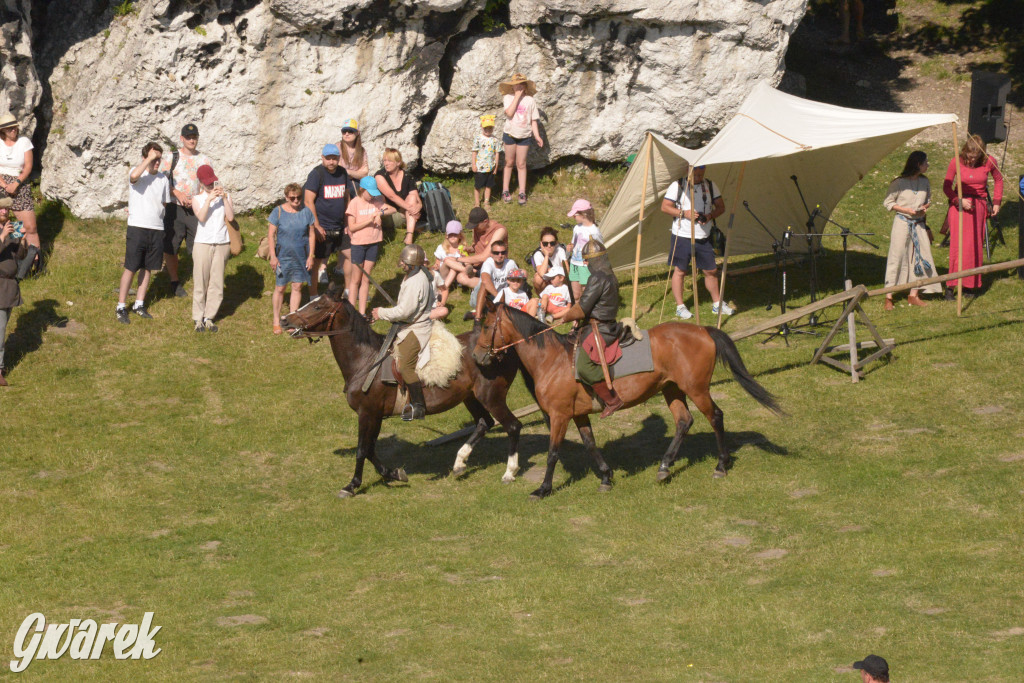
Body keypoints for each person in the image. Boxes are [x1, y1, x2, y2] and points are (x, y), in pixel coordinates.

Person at [555, 239, 623, 417]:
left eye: (587, 261)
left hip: (600, 329)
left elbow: (582, 308)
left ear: (591, 261)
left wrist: (566, 317)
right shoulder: (609, 275)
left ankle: (612, 399)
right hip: (601, 325)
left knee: (584, 367)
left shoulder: (598, 278)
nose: (585, 264)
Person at [372, 244, 434, 421]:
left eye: (405, 262)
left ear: (413, 263)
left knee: (405, 365)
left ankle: (419, 406)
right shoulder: (416, 274)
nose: (401, 264)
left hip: (415, 328)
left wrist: (381, 313)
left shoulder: (416, 280)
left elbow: (405, 312)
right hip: (408, 324)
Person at [659, 165, 731, 319]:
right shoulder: (678, 185)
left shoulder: (710, 185)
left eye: (700, 174)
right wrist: (683, 213)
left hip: (704, 236)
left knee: (711, 270)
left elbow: (721, 207)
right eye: (696, 175)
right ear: (688, 171)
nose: (698, 178)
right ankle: (680, 306)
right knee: (680, 270)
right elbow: (665, 207)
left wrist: (710, 216)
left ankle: (717, 303)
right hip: (682, 235)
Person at [942, 134, 1002, 299]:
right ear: (965, 152)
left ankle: (969, 285)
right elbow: (947, 186)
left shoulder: (989, 161)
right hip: (959, 207)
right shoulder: (956, 161)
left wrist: (996, 201)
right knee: (957, 246)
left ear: (981, 155)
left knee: (974, 246)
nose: (972, 160)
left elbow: (998, 179)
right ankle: (950, 286)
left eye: (975, 157)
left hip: (979, 207)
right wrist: (958, 200)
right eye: (969, 156)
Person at [117, 142, 171, 325]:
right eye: (154, 158)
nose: (157, 162)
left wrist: (157, 218)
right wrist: (149, 158)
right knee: (131, 267)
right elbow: (133, 177)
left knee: (148, 267)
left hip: (156, 228)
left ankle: (139, 304)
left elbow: (164, 203)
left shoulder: (163, 179)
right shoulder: (138, 172)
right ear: (145, 158)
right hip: (137, 227)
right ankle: (121, 306)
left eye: (159, 158)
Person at [882, 151, 941, 310]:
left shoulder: (924, 181)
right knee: (897, 256)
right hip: (902, 223)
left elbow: (928, 200)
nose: (928, 165)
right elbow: (888, 203)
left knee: (921, 257)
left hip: (918, 224)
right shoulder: (899, 183)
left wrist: (924, 207)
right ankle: (889, 296)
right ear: (917, 164)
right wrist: (906, 210)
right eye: (925, 162)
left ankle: (913, 294)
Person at [160, 123, 212, 298]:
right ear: (181, 138)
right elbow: (161, 181)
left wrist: (199, 199)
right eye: (188, 137)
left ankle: (201, 281)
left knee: (198, 246)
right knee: (172, 246)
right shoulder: (171, 157)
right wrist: (177, 193)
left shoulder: (204, 159)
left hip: (195, 208)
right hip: (174, 208)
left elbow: (208, 183)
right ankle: (174, 281)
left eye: (194, 137)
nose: (191, 140)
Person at [190, 164, 234, 332]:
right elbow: (201, 217)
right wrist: (208, 199)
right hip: (203, 243)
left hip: (222, 243)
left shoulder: (226, 196)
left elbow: (230, 217)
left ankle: (209, 317)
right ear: (201, 183)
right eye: (207, 183)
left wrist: (223, 198)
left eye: (212, 182)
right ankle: (197, 318)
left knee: (216, 282)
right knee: (200, 280)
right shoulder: (197, 199)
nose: (210, 186)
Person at [304, 143, 351, 298]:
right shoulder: (317, 174)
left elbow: (346, 197)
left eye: (334, 158)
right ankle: (313, 295)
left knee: (350, 257)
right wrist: (316, 225)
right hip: (322, 226)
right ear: (322, 158)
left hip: (340, 225)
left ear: (339, 158)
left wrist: (348, 222)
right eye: (328, 158)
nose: (331, 162)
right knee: (316, 261)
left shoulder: (343, 173)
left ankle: (349, 291)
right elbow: (308, 200)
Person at [268, 183, 315, 334]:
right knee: (280, 287)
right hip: (283, 256)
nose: (296, 201)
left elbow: (311, 234)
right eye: (292, 198)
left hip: (301, 255)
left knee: (297, 286)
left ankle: (292, 321)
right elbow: (271, 235)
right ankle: (276, 320)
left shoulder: (306, 212)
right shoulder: (278, 212)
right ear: (286, 197)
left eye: (299, 198)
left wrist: (311, 256)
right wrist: (273, 256)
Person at [346, 176, 393, 315]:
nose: (372, 196)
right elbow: (352, 227)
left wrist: (380, 213)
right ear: (362, 190)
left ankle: (361, 313)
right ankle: (351, 311)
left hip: (373, 243)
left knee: (366, 278)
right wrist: (369, 221)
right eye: (370, 193)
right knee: (356, 279)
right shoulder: (354, 203)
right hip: (358, 244)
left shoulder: (376, 202)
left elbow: (393, 209)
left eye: (374, 193)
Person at [455, 207, 508, 320]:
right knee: (460, 277)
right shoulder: (478, 229)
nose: (474, 229)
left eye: (476, 226)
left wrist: (460, 260)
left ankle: (485, 287)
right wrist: (469, 249)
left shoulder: (499, 231)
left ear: (485, 222)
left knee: (474, 298)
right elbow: (478, 246)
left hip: (493, 267)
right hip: (480, 266)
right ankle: (484, 285)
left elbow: (485, 256)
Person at [499, 73, 543, 205]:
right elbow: (510, 113)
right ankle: (505, 190)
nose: (518, 87)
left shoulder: (530, 100)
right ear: (512, 87)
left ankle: (522, 192)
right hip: (510, 134)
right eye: (515, 85)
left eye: (521, 84)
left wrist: (537, 136)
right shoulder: (507, 97)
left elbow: (533, 120)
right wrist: (517, 96)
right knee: (508, 163)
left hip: (525, 136)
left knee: (521, 164)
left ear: (525, 86)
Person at [0, 114, 39, 255]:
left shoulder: (24, 142)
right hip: (1, 183)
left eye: (15, 127)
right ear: (3, 130)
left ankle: (34, 259)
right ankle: (12, 256)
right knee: (5, 221)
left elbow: (28, 166)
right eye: (9, 128)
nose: (13, 130)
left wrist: (15, 184)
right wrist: (5, 185)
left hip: (20, 183)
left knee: (30, 226)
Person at [375, 148, 422, 245]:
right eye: (384, 160)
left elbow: (416, 197)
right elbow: (392, 196)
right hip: (387, 215)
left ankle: (409, 235)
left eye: (389, 161)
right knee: (410, 205)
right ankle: (412, 224)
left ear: (398, 163)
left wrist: (419, 207)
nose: (386, 163)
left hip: (404, 213)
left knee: (412, 197)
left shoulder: (408, 176)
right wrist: (412, 210)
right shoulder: (380, 176)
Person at [0, 198, 25, 386]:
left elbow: (20, 256)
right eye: (0, 208)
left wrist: (22, 238)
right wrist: (2, 238)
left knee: (3, 327)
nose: (4, 211)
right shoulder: (4, 232)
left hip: (9, 287)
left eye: (6, 208)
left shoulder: (10, 228)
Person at [473, 240, 518, 323]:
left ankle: (487, 313)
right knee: (484, 285)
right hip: (484, 297)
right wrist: (499, 297)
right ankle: (477, 319)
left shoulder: (511, 263)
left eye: (502, 252)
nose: (500, 255)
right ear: (491, 254)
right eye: (496, 253)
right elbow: (485, 280)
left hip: (501, 298)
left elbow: (518, 280)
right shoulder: (488, 263)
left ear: (506, 253)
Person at [433, 220, 476, 308]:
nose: (452, 237)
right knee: (447, 261)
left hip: (456, 275)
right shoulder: (441, 248)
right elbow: (437, 263)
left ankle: (443, 290)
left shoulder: (462, 249)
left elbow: (468, 261)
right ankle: (468, 271)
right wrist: (435, 266)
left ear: (460, 235)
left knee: (454, 268)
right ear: (446, 236)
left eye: (455, 235)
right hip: (443, 274)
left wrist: (464, 256)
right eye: (450, 235)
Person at [567, 199, 602, 300]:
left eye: (576, 214)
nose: (574, 217)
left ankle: (587, 313)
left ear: (584, 214)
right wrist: (570, 247)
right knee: (576, 295)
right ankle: (578, 314)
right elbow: (574, 243)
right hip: (574, 263)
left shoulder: (594, 231)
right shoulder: (576, 228)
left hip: (586, 266)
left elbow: (600, 249)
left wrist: (592, 261)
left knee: (586, 292)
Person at [471, 114, 501, 207]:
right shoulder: (478, 138)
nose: (488, 130)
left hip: (490, 167)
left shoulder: (495, 140)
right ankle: (477, 202)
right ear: (481, 127)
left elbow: (497, 153)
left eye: (490, 128)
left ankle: (486, 201)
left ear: (493, 128)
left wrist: (496, 167)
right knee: (478, 186)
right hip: (480, 167)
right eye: (486, 128)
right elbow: (474, 152)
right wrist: (474, 165)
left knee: (489, 186)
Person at [530, 226, 568, 292]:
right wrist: (546, 255)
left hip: (559, 280)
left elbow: (567, 270)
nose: (549, 246)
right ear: (541, 244)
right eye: (545, 243)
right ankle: (543, 298)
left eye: (552, 243)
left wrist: (551, 270)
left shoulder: (560, 250)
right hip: (547, 281)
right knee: (537, 278)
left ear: (556, 243)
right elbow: (542, 273)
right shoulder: (538, 254)